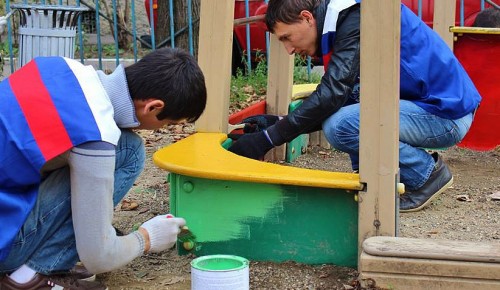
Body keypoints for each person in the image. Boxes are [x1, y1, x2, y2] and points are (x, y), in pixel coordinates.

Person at [228, 0, 481, 213]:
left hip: (445, 115)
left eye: (287, 37)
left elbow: (333, 95)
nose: (290, 49)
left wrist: (268, 139)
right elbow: (342, 96)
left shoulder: (356, 14)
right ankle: (372, 178)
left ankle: (426, 175)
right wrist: (278, 122)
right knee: (350, 107)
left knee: (340, 126)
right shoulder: (346, 18)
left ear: (306, 18)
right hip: (431, 108)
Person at [0, 47, 207, 289]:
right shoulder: (94, 135)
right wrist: (147, 238)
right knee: (128, 149)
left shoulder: (58, 66)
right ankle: (32, 276)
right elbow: (99, 256)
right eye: (167, 124)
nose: (158, 131)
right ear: (153, 107)